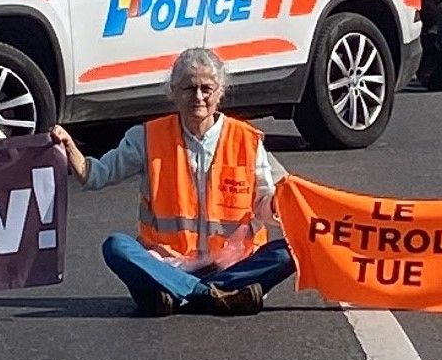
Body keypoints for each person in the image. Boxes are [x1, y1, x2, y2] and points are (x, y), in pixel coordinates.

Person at [51, 47, 297, 316]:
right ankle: (211, 295)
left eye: (207, 88)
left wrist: (277, 205)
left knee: (292, 249)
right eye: (189, 89)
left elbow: (267, 207)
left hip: (233, 265)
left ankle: (179, 294)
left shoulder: (246, 140)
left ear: (220, 92)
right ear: (173, 93)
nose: (199, 97)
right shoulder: (146, 137)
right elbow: (95, 174)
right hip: (164, 265)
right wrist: (68, 146)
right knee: (116, 247)